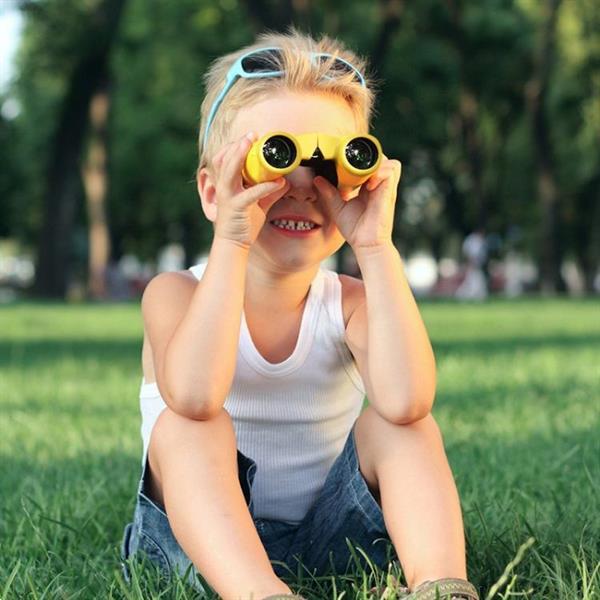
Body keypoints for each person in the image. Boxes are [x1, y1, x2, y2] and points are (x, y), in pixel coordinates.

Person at [120, 30, 480, 600]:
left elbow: (410, 400)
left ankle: (440, 584)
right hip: (194, 548)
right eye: (274, 160)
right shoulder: (174, 295)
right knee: (188, 427)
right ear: (214, 193)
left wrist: (375, 248)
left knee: (399, 423)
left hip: (329, 534)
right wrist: (234, 241)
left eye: (332, 166)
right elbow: (192, 395)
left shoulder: (352, 303)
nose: (303, 188)